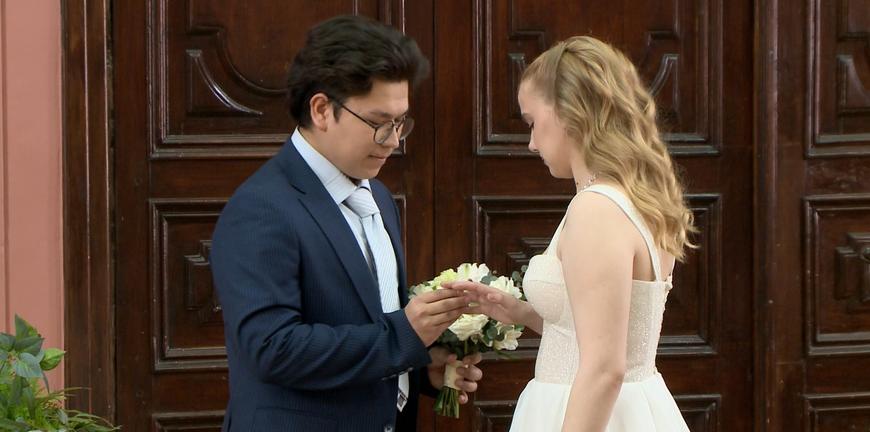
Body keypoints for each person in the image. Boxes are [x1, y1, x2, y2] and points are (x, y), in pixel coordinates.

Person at [210, 15, 482, 432]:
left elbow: (370, 323)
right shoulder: (261, 208)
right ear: (321, 110)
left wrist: (420, 367)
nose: (393, 140)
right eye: (379, 123)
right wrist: (404, 336)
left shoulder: (379, 197)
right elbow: (272, 348)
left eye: (400, 123)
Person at [445, 36, 694, 431]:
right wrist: (519, 313)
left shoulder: (596, 209)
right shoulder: (635, 198)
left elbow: (604, 369)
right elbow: (612, 334)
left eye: (532, 122)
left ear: (567, 112)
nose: (531, 143)